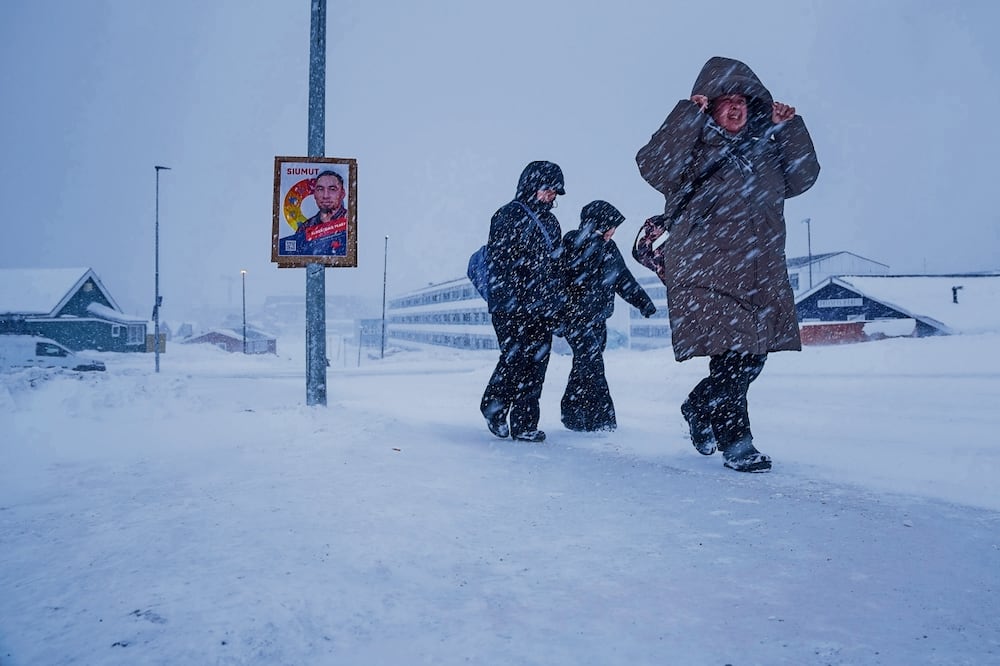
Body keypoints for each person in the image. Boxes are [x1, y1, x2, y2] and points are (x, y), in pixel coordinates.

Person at [634, 56, 820, 472]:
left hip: (758, 271)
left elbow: (803, 178)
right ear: (710, 106)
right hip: (705, 271)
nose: (736, 107)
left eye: (742, 100)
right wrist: (687, 116)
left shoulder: (764, 151)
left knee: (753, 357)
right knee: (734, 356)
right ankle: (737, 442)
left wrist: (788, 129)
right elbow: (653, 166)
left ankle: (699, 407)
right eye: (726, 101)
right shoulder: (693, 150)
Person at [480, 160, 567, 443]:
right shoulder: (507, 215)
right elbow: (501, 263)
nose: (551, 195)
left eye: (555, 191)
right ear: (531, 186)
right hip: (511, 305)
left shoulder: (552, 223)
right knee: (515, 359)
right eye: (547, 189)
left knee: (537, 364)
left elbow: (556, 268)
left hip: (541, 307)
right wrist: (517, 299)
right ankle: (494, 408)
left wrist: (556, 305)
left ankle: (525, 424)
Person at [559, 200, 656, 432]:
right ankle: (602, 421)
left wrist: (644, 303)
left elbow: (623, 279)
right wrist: (594, 240)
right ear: (599, 224)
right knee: (593, 364)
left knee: (584, 367)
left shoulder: (610, 248)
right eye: (611, 227)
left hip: (598, 319)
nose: (613, 232)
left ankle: (572, 415)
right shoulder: (572, 241)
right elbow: (566, 275)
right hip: (576, 319)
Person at [279, 170, 348, 256]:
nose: (325, 196)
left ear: (342, 194)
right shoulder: (305, 228)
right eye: (320, 189)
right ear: (314, 194)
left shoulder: (351, 222)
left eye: (332, 189)